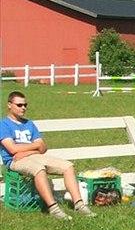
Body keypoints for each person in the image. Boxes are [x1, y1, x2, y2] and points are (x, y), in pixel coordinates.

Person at [1, 91, 96, 220]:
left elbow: (43, 147)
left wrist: (27, 151)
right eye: (19, 105)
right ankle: (53, 208)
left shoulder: (29, 124)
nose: (23, 108)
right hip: (15, 161)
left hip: (31, 156)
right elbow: (12, 149)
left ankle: (79, 204)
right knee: (39, 169)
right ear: (9, 105)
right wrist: (34, 148)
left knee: (68, 166)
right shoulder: (3, 125)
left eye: (25, 105)